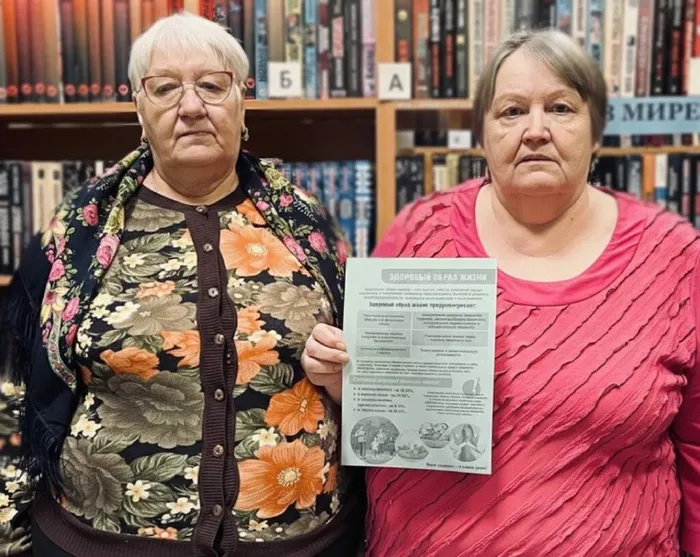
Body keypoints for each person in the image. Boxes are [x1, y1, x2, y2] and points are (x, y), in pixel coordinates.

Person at [302, 28, 700, 557]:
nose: (535, 131)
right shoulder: (419, 233)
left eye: (560, 108)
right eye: (511, 111)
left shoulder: (674, 256)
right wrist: (343, 378)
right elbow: (379, 404)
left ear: (596, 132)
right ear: (482, 136)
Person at [0, 12, 363, 557]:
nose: (191, 106)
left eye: (212, 85)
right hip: (102, 544)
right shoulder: (75, 233)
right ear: (139, 109)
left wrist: (342, 379)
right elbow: (15, 392)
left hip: (302, 543)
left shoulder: (309, 227)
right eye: (165, 88)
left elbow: (370, 378)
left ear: (242, 102)